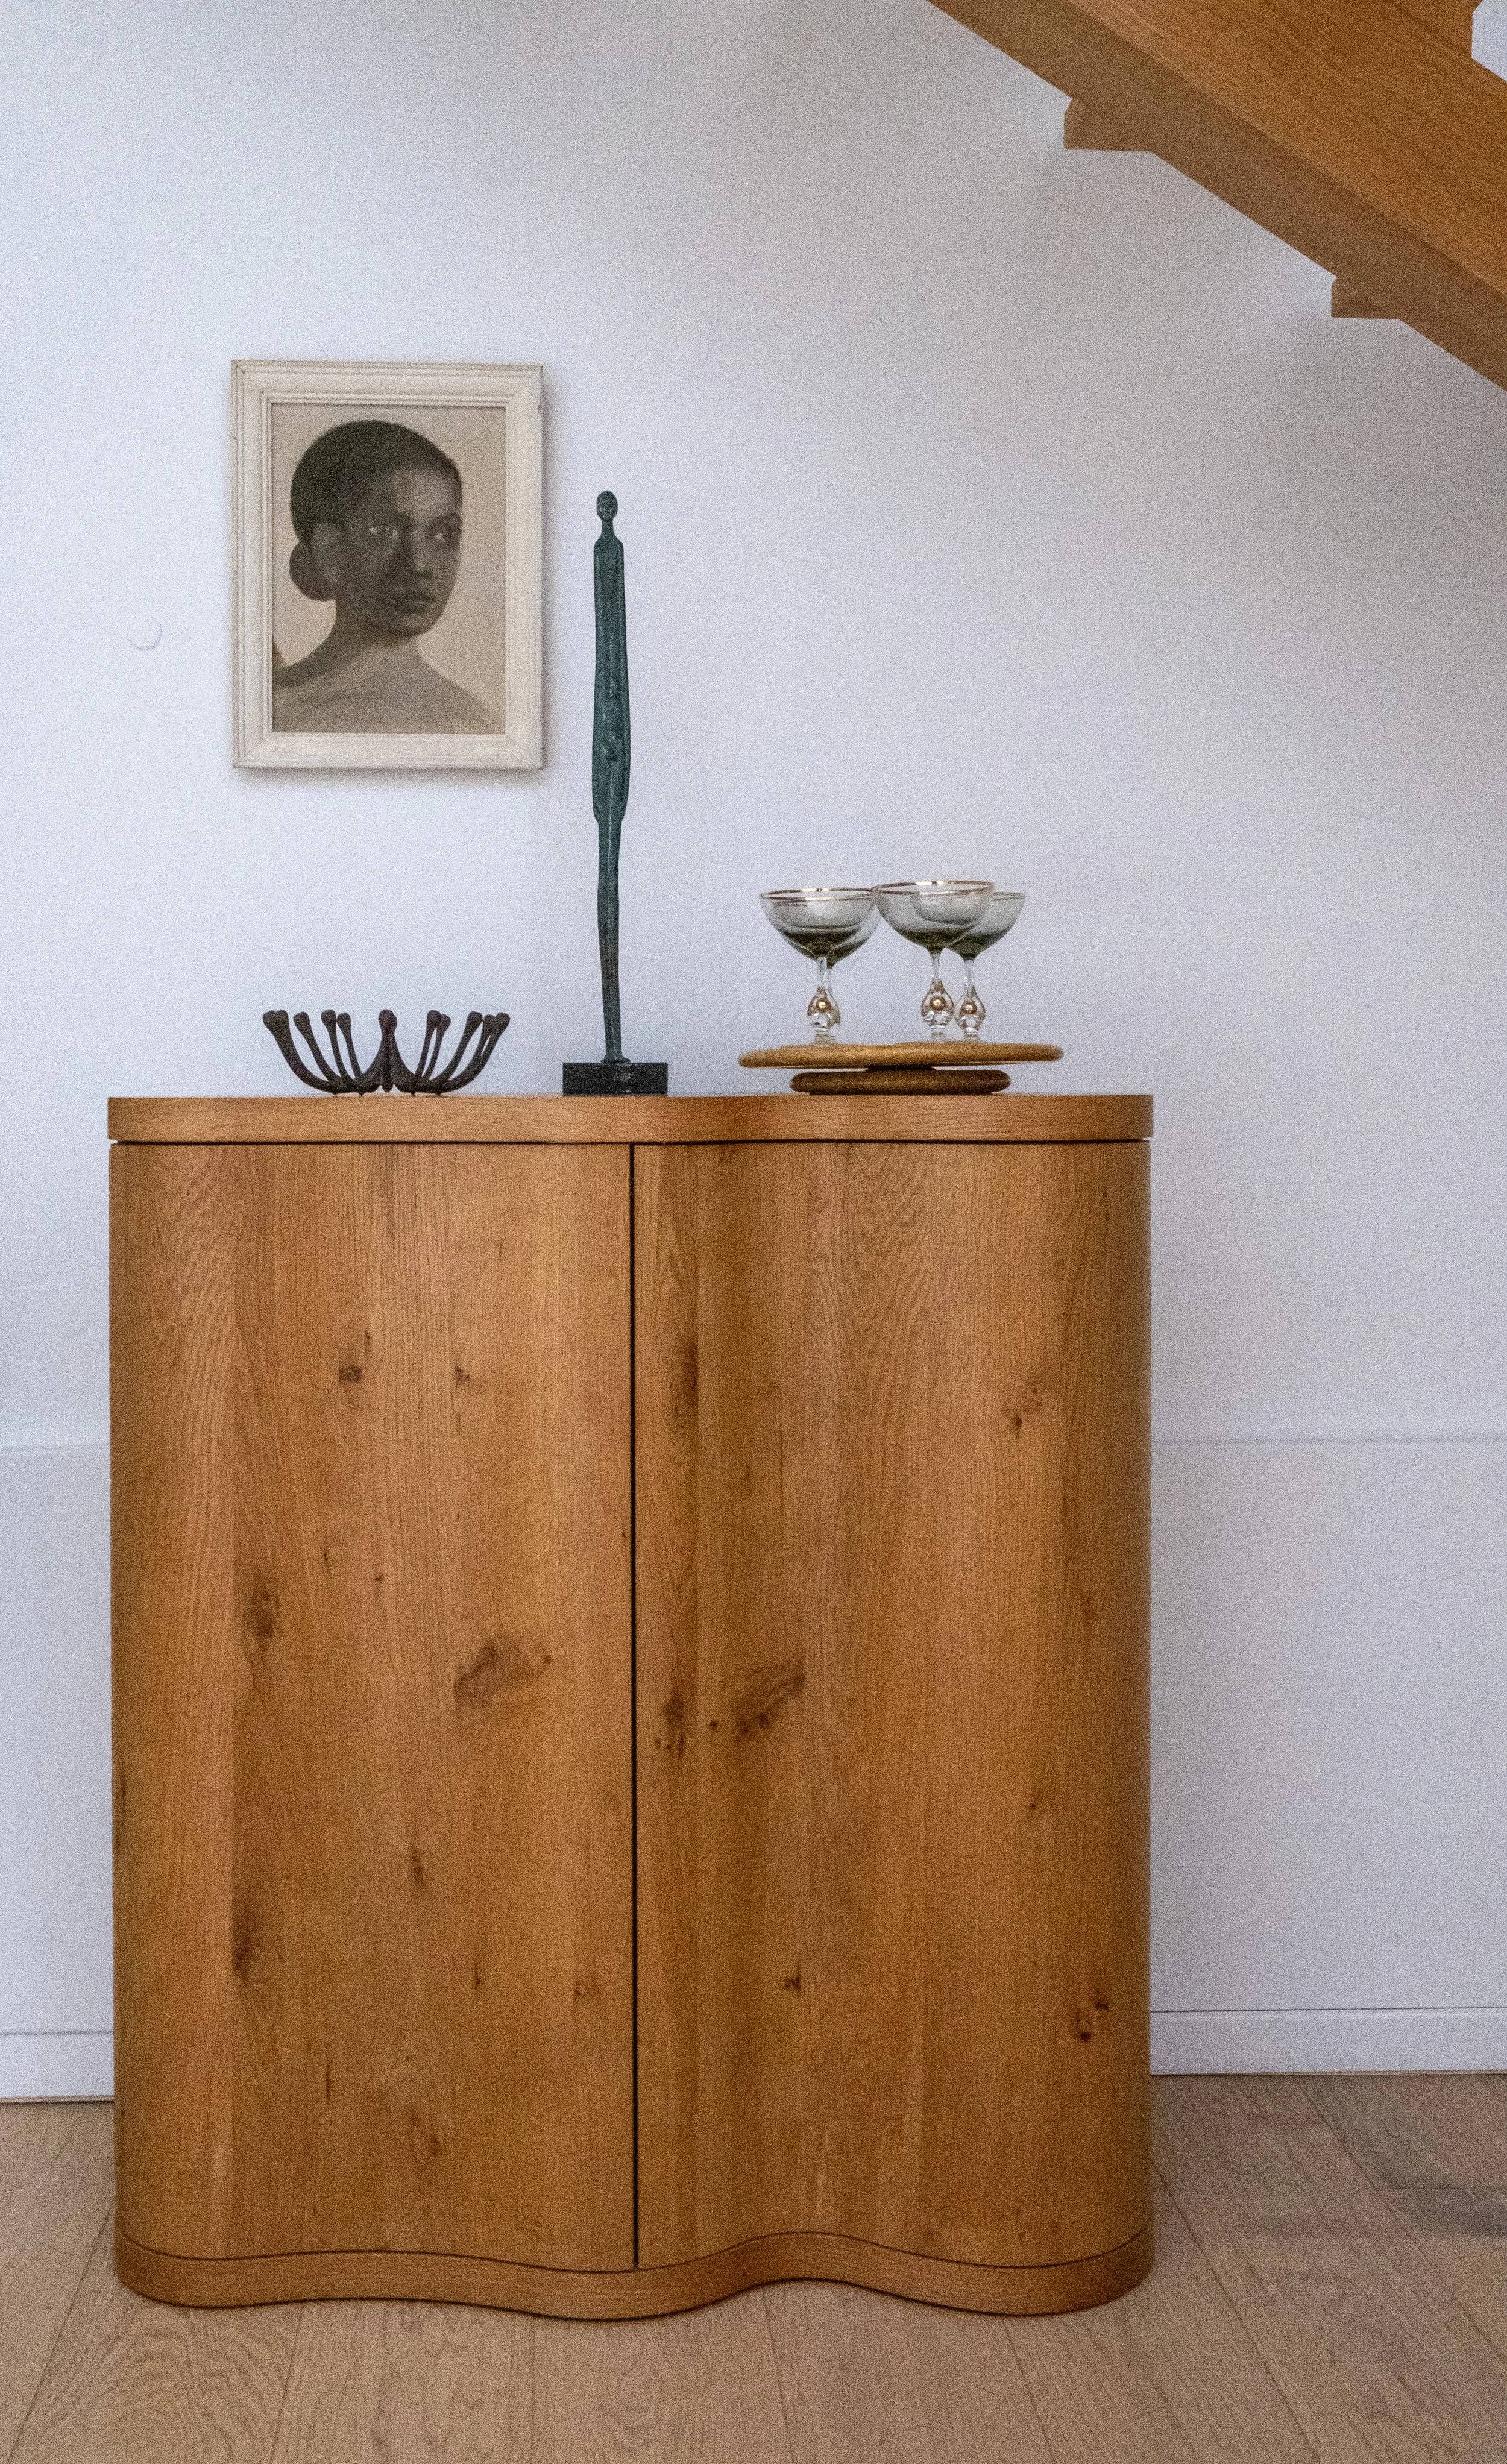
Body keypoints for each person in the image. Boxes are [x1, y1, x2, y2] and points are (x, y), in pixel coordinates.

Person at [272, 419, 500, 734]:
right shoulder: (270, 710)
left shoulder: (473, 725)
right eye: (384, 532)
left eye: (446, 533)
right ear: (329, 550)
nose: (420, 564)